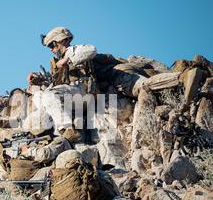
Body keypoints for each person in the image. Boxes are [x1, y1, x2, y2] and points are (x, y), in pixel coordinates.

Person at [27, 27, 205, 142]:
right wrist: (38, 81)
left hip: (85, 91)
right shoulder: (57, 64)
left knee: (142, 86)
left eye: (52, 44)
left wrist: (67, 58)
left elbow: (90, 50)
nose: (51, 49)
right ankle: (180, 79)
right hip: (76, 96)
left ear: (63, 40)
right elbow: (58, 84)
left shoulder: (74, 50)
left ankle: (66, 130)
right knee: (42, 96)